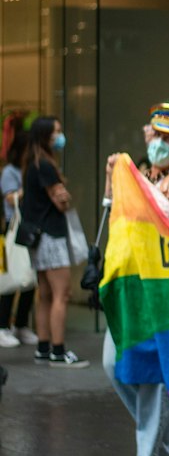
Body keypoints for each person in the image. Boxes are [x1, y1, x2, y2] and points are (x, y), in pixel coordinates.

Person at [103, 104, 169, 456]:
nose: (161, 143)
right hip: (127, 284)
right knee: (114, 365)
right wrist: (114, 183)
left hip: (160, 288)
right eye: (156, 136)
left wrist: (133, 180)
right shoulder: (136, 173)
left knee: (152, 374)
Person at [21, 117, 88, 367]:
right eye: (57, 132)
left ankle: (43, 347)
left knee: (46, 294)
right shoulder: (46, 166)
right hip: (51, 235)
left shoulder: (32, 163)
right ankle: (58, 351)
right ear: (45, 136)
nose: (61, 136)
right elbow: (60, 201)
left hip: (38, 238)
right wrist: (65, 196)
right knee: (62, 293)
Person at [0, 128, 37, 347]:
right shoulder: (10, 172)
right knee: (11, 278)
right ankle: (3, 325)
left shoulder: (29, 168)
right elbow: (8, 199)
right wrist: (28, 189)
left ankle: (21, 324)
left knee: (29, 278)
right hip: (12, 231)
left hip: (29, 229)